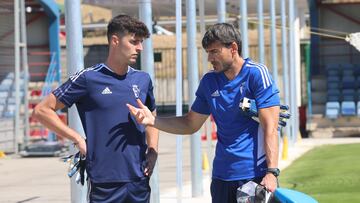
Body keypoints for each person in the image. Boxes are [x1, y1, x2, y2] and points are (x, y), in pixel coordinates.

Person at [127, 23, 280, 203]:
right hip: (221, 176)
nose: (210, 58)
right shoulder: (209, 81)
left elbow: (271, 126)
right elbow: (190, 123)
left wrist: (272, 172)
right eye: (208, 52)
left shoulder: (256, 74)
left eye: (214, 51)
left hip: (255, 174)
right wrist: (153, 120)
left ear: (233, 48)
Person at [33, 14, 158, 203]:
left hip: (139, 178)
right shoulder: (88, 78)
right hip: (104, 180)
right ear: (115, 41)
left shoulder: (143, 79)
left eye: (140, 42)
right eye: (134, 42)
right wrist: (77, 139)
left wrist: (153, 150)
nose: (139, 48)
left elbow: (152, 117)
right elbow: (42, 110)